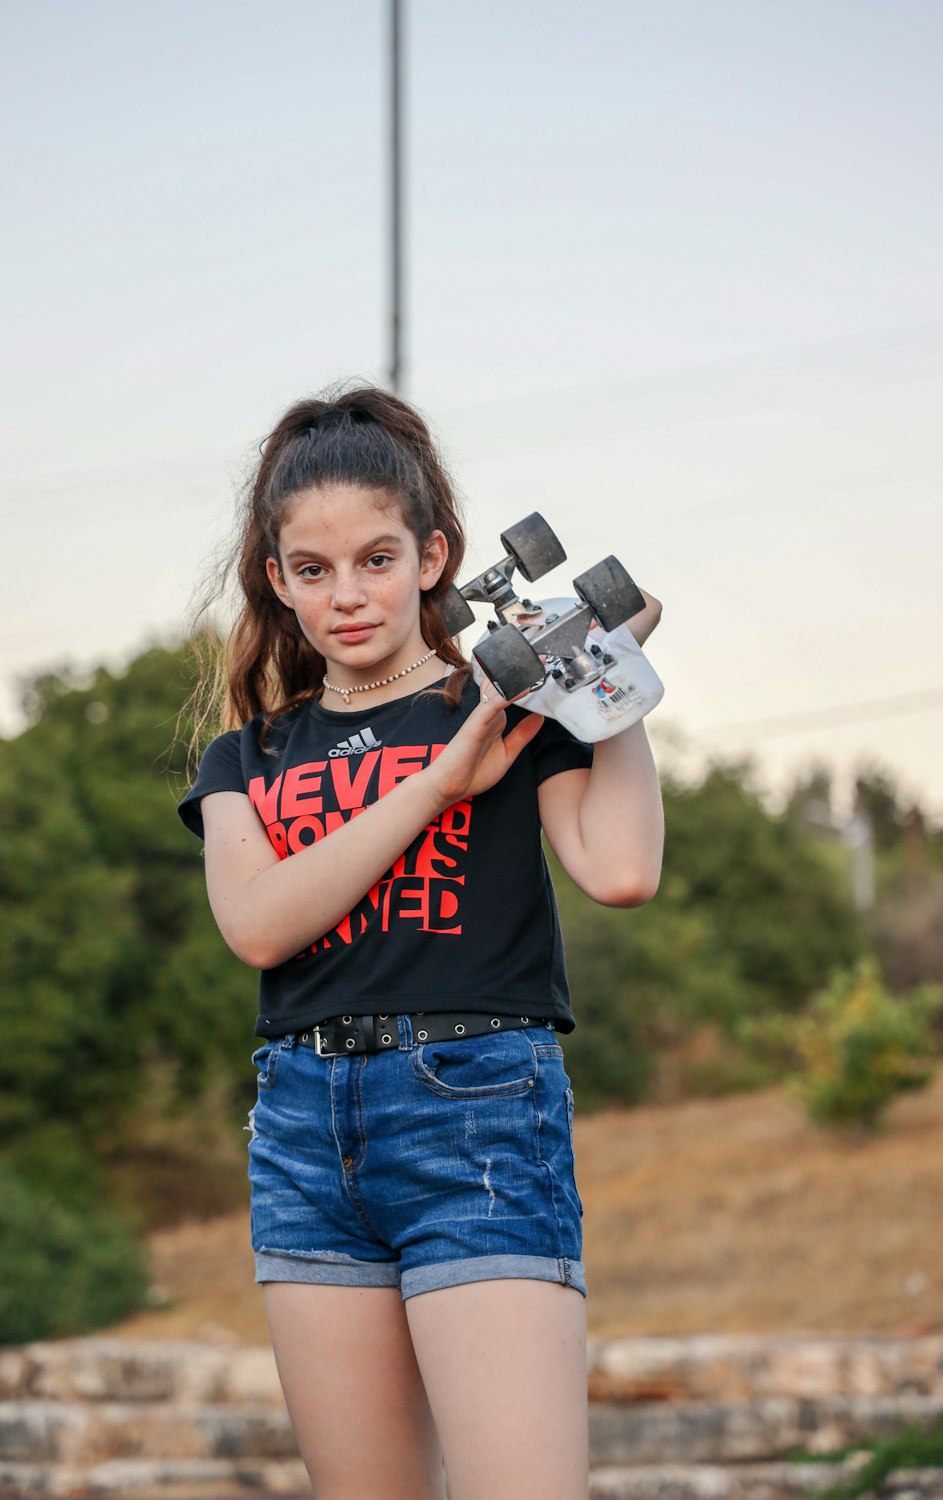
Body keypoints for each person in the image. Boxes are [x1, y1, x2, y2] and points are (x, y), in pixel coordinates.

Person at [179, 384, 664, 1500]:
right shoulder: (244, 759)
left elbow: (621, 871)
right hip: (304, 1131)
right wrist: (442, 782)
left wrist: (614, 689)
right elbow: (258, 926)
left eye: (378, 559)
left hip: (478, 1113)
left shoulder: (506, 706)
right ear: (277, 580)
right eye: (313, 569)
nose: (347, 595)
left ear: (434, 556)